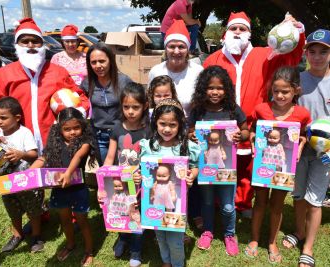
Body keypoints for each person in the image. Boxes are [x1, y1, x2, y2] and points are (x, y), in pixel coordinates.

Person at [203, 11, 305, 216]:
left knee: (248, 168)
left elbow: (291, 55)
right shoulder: (212, 59)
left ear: (249, 33)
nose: (238, 32)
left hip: (254, 125)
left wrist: (296, 31)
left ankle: (243, 203)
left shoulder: (265, 54)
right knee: (220, 162)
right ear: (225, 33)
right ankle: (218, 204)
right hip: (221, 125)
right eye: (234, 28)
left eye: (243, 29)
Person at [281, 29, 330, 267]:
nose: (317, 56)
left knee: (316, 200)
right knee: (299, 195)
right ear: (305, 53)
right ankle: (300, 232)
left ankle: (309, 247)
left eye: (323, 51)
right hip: (300, 148)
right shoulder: (297, 79)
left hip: (325, 153)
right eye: (312, 51)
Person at [0, 18, 89, 154]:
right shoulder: (4, 74)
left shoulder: (58, 72)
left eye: (35, 41)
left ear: (42, 44)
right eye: (25, 41)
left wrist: (79, 112)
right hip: (18, 147)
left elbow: (79, 96)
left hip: (54, 143)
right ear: (17, 44)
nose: (30, 45)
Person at [244, 66, 311, 264]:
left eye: (285, 92)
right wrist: (254, 142)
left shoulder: (302, 113)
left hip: (284, 167)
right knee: (260, 202)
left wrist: (299, 148)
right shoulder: (261, 109)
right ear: (270, 90)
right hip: (263, 165)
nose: (280, 96)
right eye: (276, 91)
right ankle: (255, 239)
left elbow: (304, 136)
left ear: (296, 91)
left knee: (277, 205)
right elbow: (254, 131)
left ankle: (272, 242)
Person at [188, 65, 249, 256]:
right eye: (210, 88)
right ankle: (208, 231)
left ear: (227, 89)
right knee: (206, 202)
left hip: (226, 167)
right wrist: (192, 135)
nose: (215, 92)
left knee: (228, 204)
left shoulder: (232, 109)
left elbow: (246, 130)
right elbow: (190, 130)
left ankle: (230, 234)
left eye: (220, 88)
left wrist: (242, 135)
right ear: (203, 89)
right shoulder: (198, 110)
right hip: (205, 167)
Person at [135, 99, 200, 267]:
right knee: (160, 237)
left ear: (180, 125)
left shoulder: (186, 146)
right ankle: (166, 261)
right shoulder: (149, 147)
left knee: (175, 240)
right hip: (154, 204)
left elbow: (194, 167)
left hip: (176, 205)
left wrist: (192, 175)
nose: (167, 129)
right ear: (155, 122)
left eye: (172, 125)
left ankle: (178, 263)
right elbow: (143, 171)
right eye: (162, 123)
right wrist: (138, 177)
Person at [30, 107, 97, 266]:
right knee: (65, 220)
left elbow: (77, 156)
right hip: (59, 190)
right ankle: (70, 245)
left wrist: (68, 174)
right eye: (67, 129)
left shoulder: (85, 143)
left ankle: (89, 251)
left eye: (76, 128)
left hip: (78, 189)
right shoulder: (55, 143)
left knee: (82, 221)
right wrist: (29, 173)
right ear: (59, 129)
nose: (72, 132)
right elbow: (43, 158)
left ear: (83, 126)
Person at [103, 82, 149, 267]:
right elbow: (110, 158)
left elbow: (151, 159)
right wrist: (106, 180)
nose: (130, 111)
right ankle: (123, 238)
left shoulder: (148, 130)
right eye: (126, 107)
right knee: (122, 211)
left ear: (145, 106)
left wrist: (144, 177)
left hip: (140, 184)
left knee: (137, 216)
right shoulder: (117, 129)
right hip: (120, 183)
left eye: (135, 107)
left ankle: (136, 250)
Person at [0, 97, 45, 253]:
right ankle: (17, 234)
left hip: (25, 181)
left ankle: (36, 236)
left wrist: (20, 154)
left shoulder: (24, 133)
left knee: (33, 208)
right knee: (12, 208)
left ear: (17, 118)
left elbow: (33, 154)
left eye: (3, 118)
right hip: (6, 181)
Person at [80, 42, 132, 164]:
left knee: (124, 174)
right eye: (94, 62)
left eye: (102, 61)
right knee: (106, 175)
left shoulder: (124, 81)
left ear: (110, 60)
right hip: (99, 137)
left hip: (121, 135)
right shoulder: (86, 83)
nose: (98, 65)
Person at [149, 19, 203, 116]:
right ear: (165, 49)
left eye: (181, 47)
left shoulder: (198, 71)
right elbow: (150, 102)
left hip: (190, 127)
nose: (176, 51)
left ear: (188, 49)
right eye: (172, 46)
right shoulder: (156, 71)